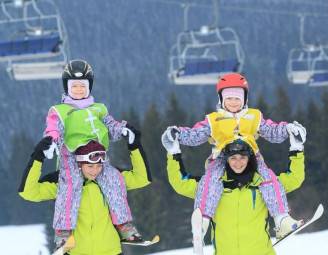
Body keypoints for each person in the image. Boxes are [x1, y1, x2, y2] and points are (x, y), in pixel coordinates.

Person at [162, 73, 304, 250]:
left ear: (245, 99)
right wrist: (178, 136)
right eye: (229, 98)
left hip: (252, 155)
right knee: (209, 182)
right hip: (222, 157)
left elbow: (272, 131)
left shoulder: (253, 116)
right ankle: (203, 220)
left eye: (238, 98)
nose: (233, 102)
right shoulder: (214, 119)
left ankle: (281, 217)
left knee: (269, 180)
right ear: (221, 99)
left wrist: (289, 131)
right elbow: (195, 135)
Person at [42, 59, 145, 250]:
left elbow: (111, 126)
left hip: (98, 158)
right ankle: (63, 232)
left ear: (90, 86)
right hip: (71, 159)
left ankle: (123, 225)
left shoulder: (99, 109)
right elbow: (52, 129)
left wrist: (123, 130)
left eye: (83, 86)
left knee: (114, 181)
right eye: (74, 86)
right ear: (66, 87)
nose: (79, 90)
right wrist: (51, 142)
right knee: (70, 186)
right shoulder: (60, 111)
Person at [163, 120, 307, 255]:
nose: (238, 163)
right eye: (233, 158)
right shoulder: (211, 189)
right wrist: (173, 152)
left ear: (249, 159)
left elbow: (295, 178)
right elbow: (180, 183)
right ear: (226, 159)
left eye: (242, 157)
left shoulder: (265, 186)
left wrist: (297, 148)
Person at [18, 128, 151, 255]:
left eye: (99, 165)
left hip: (111, 251)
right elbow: (29, 192)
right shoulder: (63, 182)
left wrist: (134, 146)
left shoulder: (113, 178)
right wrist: (38, 157)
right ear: (80, 163)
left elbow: (142, 178)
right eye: (90, 166)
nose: (95, 170)